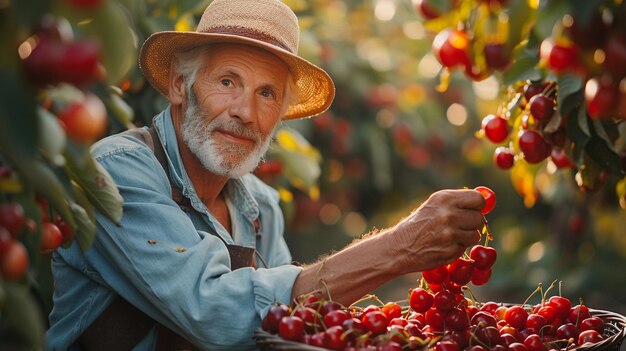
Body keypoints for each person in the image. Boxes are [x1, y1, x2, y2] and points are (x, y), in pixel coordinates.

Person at [46, 0, 487, 349]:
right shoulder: (117, 172)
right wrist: (399, 246)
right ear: (180, 85)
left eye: (267, 93)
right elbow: (212, 312)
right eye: (227, 82)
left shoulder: (259, 208)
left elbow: (282, 334)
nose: (245, 112)